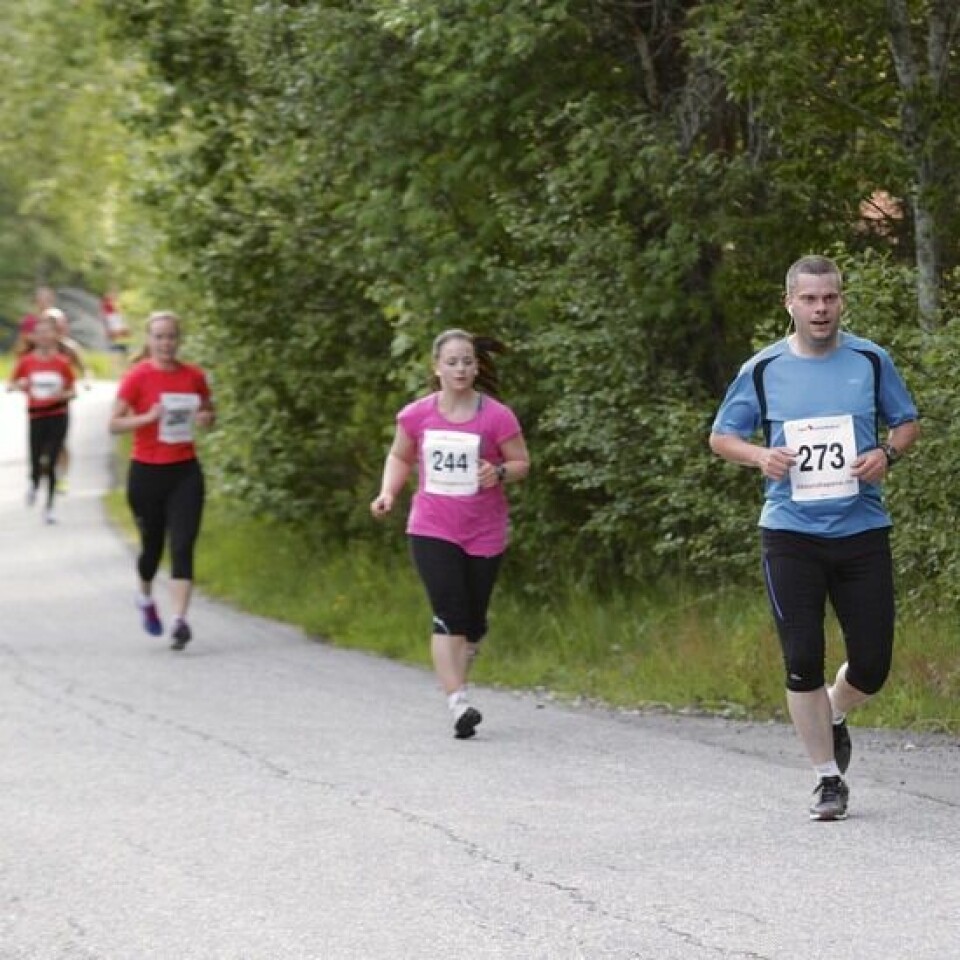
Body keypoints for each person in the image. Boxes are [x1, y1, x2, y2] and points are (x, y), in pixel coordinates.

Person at [709, 254, 920, 821]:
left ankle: (833, 709)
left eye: (829, 297)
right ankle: (827, 778)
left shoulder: (870, 360)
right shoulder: (763, 369)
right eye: (809, 299)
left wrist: (887, 454)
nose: (820, 308)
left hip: (862, 530)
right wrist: (761, 456)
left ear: (841, 300)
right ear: (790, 304)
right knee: (801, 658)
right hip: (790, 534)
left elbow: (906, 423)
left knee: (872, 665)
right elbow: (722, 436)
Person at [371, 329, 530, 739]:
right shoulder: (417, 415)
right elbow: (400, 455)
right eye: (452, 361)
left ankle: (458, 669)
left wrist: (497, 472)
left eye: (467, 361)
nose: (460, 368)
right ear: (436, 368)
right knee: (450, 612)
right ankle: (458, 703)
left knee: (473, 621)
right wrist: (388, 492)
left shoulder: (496, 416)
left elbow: (521, 463)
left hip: (483, 530)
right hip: (431, 526)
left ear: (477, 367)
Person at [108, 312, 215, 651]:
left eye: (171, 337)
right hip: (146, 472)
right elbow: (113, 423)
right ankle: (144, 597)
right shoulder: (137, 377)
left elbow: (209, 412)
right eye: (159, 337)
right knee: (152, 548)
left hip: (184, 471)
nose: (166, 343)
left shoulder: (193, 376)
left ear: (178, 340)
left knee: (182, 545)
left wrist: (205, 417)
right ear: (149, 341)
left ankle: (179, 621)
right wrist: (147, 417)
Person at [7, 312, 77, 524]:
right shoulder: (26, 362)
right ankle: (34, 483)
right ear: (34, 337)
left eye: (48, 333)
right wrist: (19, 385)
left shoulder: (62, 363)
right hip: (36, 415)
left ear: (55, 336)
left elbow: (73, 390)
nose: (44, 337)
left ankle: (49, 507)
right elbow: (11, 384)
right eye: (40, 333)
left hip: (58, 414)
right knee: (36, 457)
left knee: (53, 458)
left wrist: (62, 394)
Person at [13, 285, 57, 355]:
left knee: (70, 347)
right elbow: (25, 335)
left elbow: (62, 333)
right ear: (36, 301)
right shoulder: (29, 319)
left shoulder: (57, 317)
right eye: (42, 300)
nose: (44, 303)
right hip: (33, 344)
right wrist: (40, 340)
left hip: (52, 344)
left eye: (48, 300)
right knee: (21, 348)